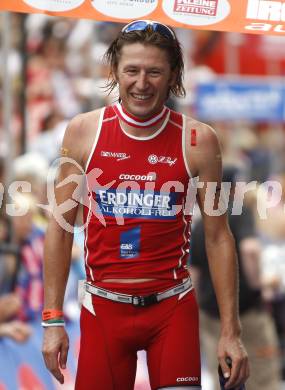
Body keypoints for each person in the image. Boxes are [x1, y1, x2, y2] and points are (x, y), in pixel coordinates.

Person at [42, 20, 249, 390]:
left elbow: (219, 238)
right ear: (115, 73)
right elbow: (59, 229)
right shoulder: (83, 131)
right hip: (103, 308)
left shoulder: (200, 140)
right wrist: (53, 321)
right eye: (131, 71)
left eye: (154, 72)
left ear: (173, 76)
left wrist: (231, 332)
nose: (141, 83)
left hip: (172, 309)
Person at [190, 166, 281, 390]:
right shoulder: (240, 212)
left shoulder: (203, 222)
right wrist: (257, 282)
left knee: (222, 374)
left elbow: (193, 274)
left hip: (211, 315)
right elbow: (250, 249)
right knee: (263, 372)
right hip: (246, 312)